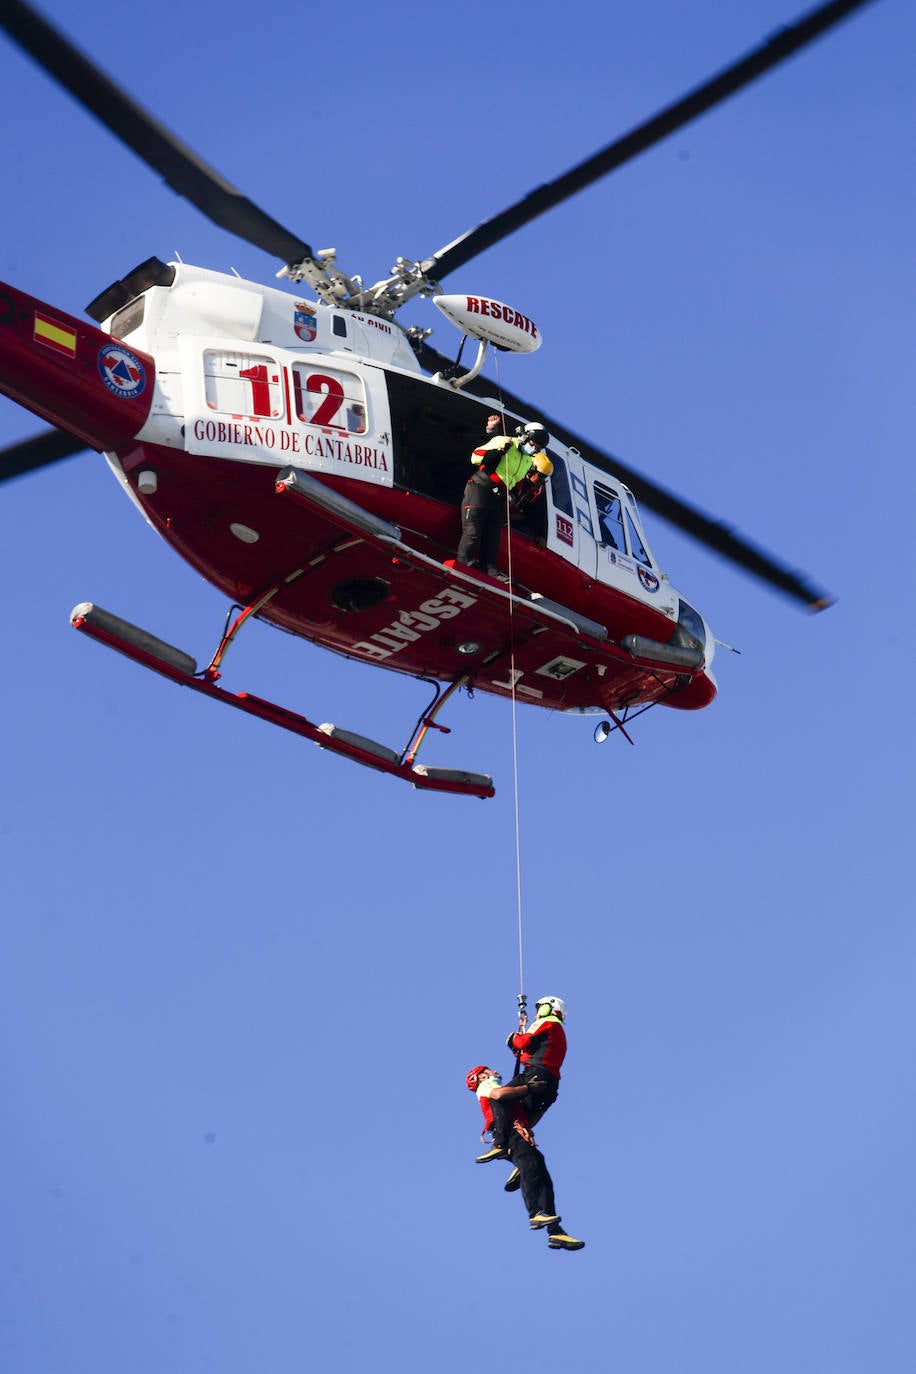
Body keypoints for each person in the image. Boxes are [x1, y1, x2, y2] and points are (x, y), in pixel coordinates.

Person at [467, 995, 584, 1251]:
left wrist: (516, 1044)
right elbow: (499, 1094)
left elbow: (525, 1048)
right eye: (488, 1069)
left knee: (538, 1167)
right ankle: (535, 1212)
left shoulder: (549, 1025)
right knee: (532, 1165)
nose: (494, 1071)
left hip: (521, 1114)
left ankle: (555, 1230)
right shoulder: (488, 1086)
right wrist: (515, 1042)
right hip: (516, 1119)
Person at [454, 418, 547, 578]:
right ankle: (464, 561)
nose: (533, 449)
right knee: (473, 530)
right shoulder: (504, 441)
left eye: (537, 448)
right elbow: (475, 456)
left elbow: (515, 480)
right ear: (525, 437)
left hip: (499, 496)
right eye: (532, 444)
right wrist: (494, 454)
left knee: (493, 537)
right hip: (481, 488)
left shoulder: (527, 460)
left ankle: (490, 570)